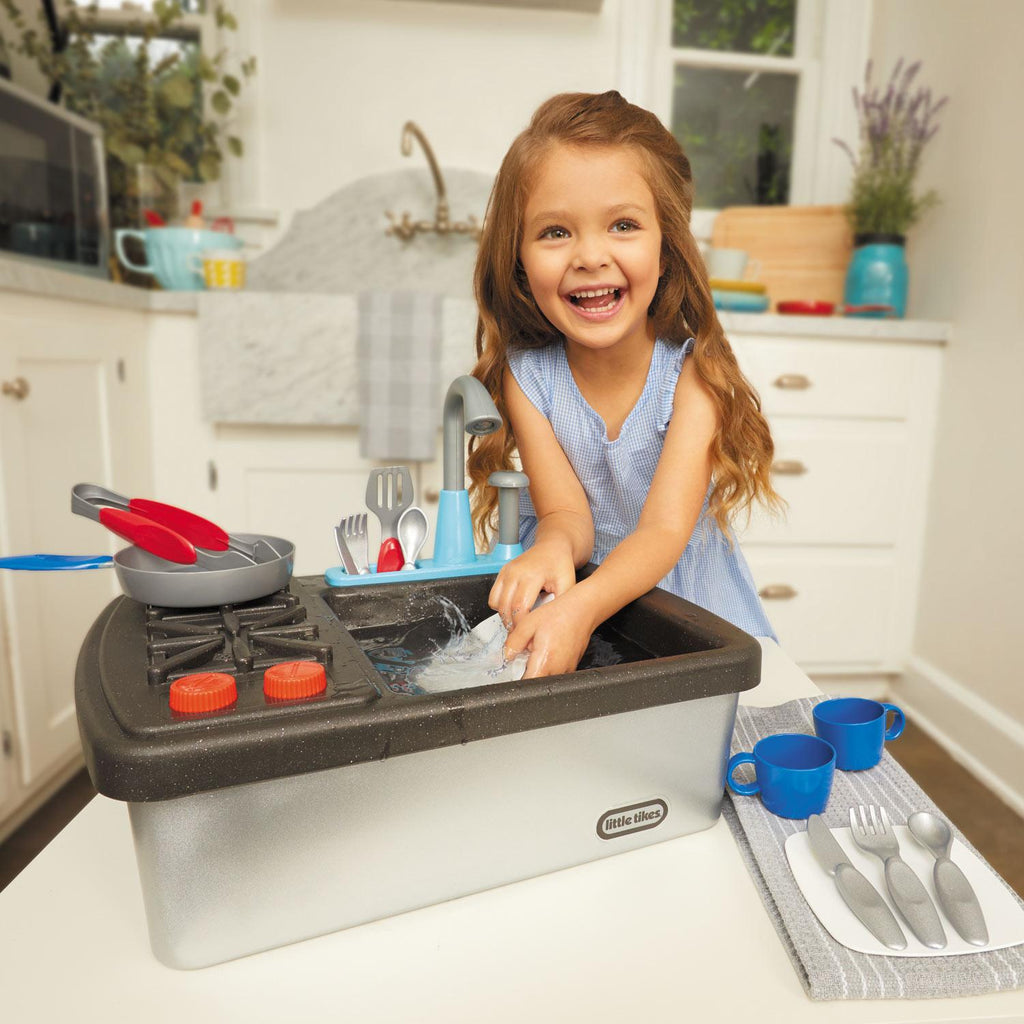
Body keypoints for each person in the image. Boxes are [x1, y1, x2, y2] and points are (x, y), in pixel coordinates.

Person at [467, 90, 782, 679]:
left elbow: (663, 532)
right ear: (518, 261)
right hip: (589, 615)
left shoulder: (694, 379)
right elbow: (565, 512)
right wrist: (554, 547)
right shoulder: (527, 377)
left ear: (667, 249)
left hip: (693, 614)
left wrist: (581, 609)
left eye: (623, 225)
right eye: (555, 232)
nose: (590, 256)